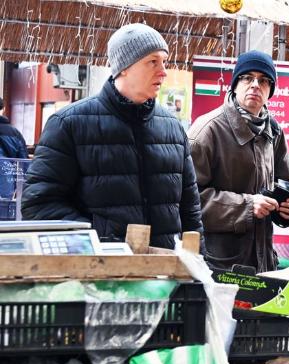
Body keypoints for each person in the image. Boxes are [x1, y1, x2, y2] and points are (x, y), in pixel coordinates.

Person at [22, 23, 203, 249]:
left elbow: (190, 210)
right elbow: (39, 205)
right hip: (101, 275)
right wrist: (102, 241)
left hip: (167, 276)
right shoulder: (68, 124)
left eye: (164, 62)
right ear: (124, 67)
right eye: (153, 62)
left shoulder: (173, 128)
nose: (163, 71)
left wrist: (197, 267)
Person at [188, 50, 289, 272]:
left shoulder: (274, 132)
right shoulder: (207, 130)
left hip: (263, 261)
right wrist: (247, 206)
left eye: (264, 80)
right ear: (235, 85)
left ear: (271, 91)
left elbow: (284, 184)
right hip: (219, 265)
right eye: (248, 78)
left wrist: (285, 210)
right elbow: (187, 200)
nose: (255, 85)